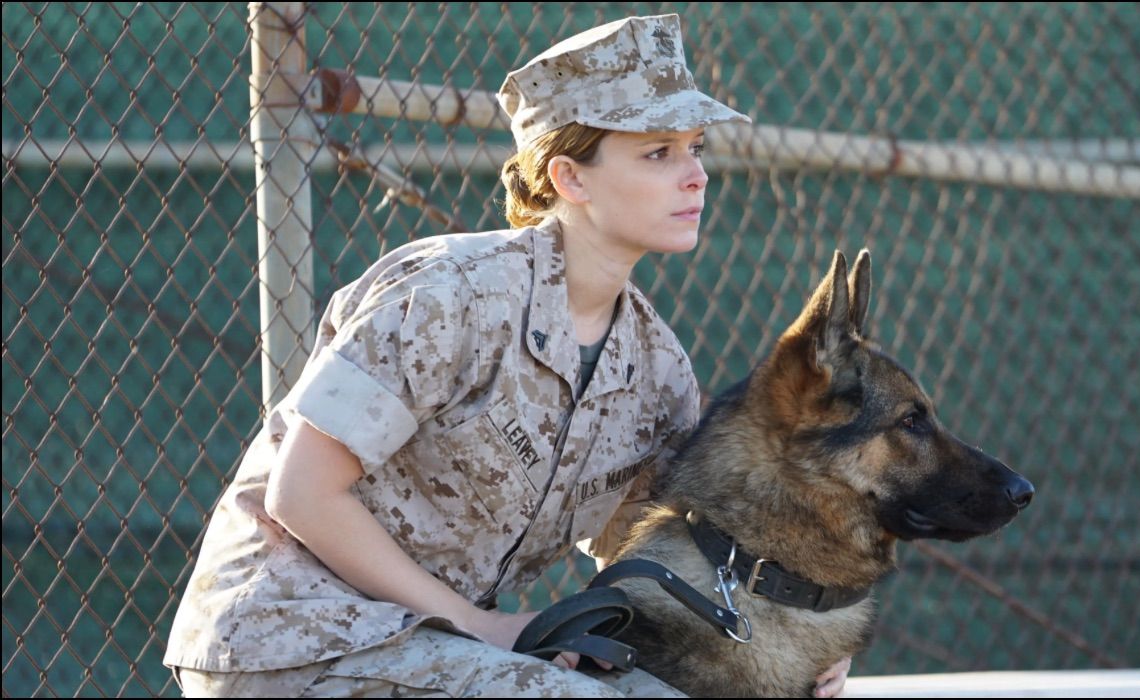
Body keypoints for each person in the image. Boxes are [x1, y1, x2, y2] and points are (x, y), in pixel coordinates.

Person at [164, 13, 851, 697]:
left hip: (441, 649)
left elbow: (658, 551)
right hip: (287, 638)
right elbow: (303, 494)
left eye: (695, 147)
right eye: (658, 152)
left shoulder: (655, 369)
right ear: (571, 178)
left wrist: (793, 645)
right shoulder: (450, 294)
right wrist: (478, 626)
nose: (696, 175)